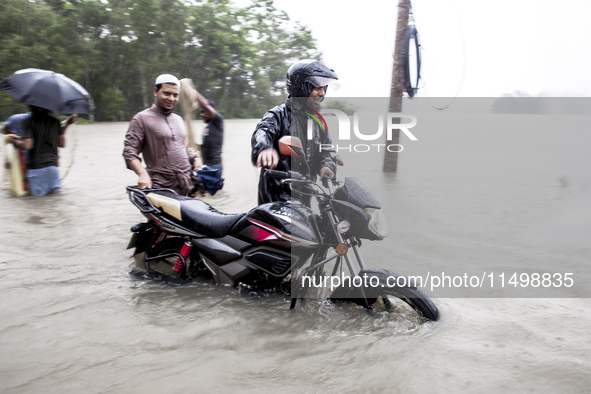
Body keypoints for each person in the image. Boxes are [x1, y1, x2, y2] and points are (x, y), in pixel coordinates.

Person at [251, 60, 339, 204]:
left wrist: (326, 165)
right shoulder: (278, 115)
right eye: (317, 88)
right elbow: (262, 132)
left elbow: (326, 149)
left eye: (324, 88)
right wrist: (264, 147)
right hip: (276, 200)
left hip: (305, 197)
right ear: (300, 88)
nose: (322, 93)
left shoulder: (318, 121)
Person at [123, 74, 199, 196]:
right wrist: (142, 174)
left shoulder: (178, 119)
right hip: (161, 187)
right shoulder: (141, 119)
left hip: (186, 183)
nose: (171, 99)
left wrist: (194, 158)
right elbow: (129, 152)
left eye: (175, 95)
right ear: (155, 91)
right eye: (166, 93)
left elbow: (183, 145)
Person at [11, 106, 75, 196]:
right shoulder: (55, 121)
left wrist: (15, 142)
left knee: (36, 204)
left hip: (37, 168)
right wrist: (65, 125)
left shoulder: (28, 121)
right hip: (53, 168)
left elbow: (27, 145)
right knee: (54, 202)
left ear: (32, 107)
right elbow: (61, 144)